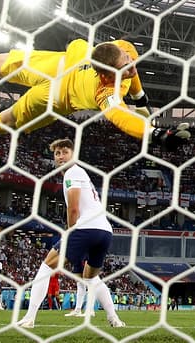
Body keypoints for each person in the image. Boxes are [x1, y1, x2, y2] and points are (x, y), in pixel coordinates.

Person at [0, 40, 190, 153]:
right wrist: (154, 132)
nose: (131, 65)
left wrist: (142, 104)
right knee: (0, 117)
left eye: (129, 60)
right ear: (108, 75)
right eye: (125, 66)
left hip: (54, 63)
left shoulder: (120, 52)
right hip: (53, 98)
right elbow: (120, 117)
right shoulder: (105, 91)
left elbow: (133, 78)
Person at [18, 139, 124, 329]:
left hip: (85, 228)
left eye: (65, 152)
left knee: (46, 268)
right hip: (104, 231)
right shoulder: (81, 173)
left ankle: (29, 318)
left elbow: (73, 208)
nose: (60, 157)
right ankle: (114, 319)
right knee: (91, 278)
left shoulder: (73, 172)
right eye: (57, 153)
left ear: (73, 154)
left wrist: (70, 230)